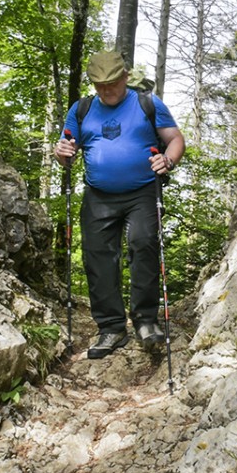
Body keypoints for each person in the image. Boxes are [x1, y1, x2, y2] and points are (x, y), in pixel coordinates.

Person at [54, 49, 185, 359]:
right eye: (98, 85)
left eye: (111, 83)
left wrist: (168, 160)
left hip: (142, 191)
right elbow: (66, 152)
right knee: (98, 257)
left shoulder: (147, 103)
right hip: (98, 195)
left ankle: (145, 322)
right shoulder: (82, 109)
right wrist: (62, 153)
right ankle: (111, 328)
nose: (105, 90)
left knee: (144, 244)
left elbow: (176, 139)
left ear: (125, 77)